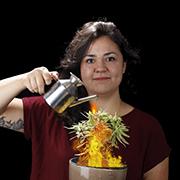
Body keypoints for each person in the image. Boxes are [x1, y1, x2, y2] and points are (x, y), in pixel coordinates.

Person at [0, 20, 170, 180]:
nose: (100, 68)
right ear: (79, 68)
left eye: (110, 58)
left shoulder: (148, 128)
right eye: (90, 60)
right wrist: (22, 80)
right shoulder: (49, 111)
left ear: (124, 65)